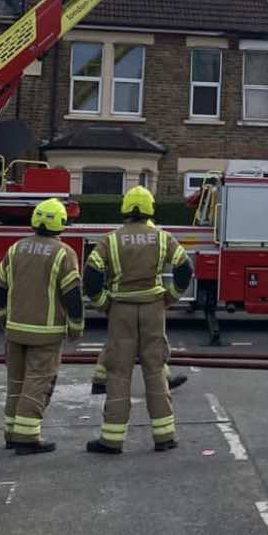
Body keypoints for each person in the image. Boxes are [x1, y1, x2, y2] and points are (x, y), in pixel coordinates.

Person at [83, 186, 193, 455]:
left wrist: (103, 304)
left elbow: (92, 275)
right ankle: (164, 436)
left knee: (119, 374)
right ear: (149, 210)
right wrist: (171, 297)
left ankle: (112, 439)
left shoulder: (110, 240)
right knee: (155, 371)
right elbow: (184, 268)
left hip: (121, 309)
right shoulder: (163, 238)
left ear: (125, 209)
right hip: (153, 308)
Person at [0, 197, 83, 455]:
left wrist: (2, 315)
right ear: (62, 223)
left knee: (16, 382)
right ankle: (27, 437)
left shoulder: (16, 248)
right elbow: (72, 294)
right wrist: (76, 325)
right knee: (37, 382)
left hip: (15, 329)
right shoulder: (64, 253)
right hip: (46, 333)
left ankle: (11, 432)